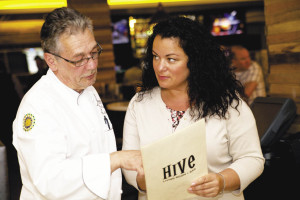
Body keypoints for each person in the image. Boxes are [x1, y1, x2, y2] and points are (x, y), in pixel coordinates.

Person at [122, 16, 264, 200]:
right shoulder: (140, 103)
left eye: (171, 59)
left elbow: (252, 159)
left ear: (195, 61)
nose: (160, 66)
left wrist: (221, 181)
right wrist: (143, 181)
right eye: (156, 57)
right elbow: (129, 163)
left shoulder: (227, 103)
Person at [12, 7, 143, 200]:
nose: (91, 65)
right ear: (51, 61)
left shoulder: (86, 87)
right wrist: (114, 160)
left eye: (93, 53)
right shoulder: (37, 106)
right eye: (79, 59)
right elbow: (51, 180)